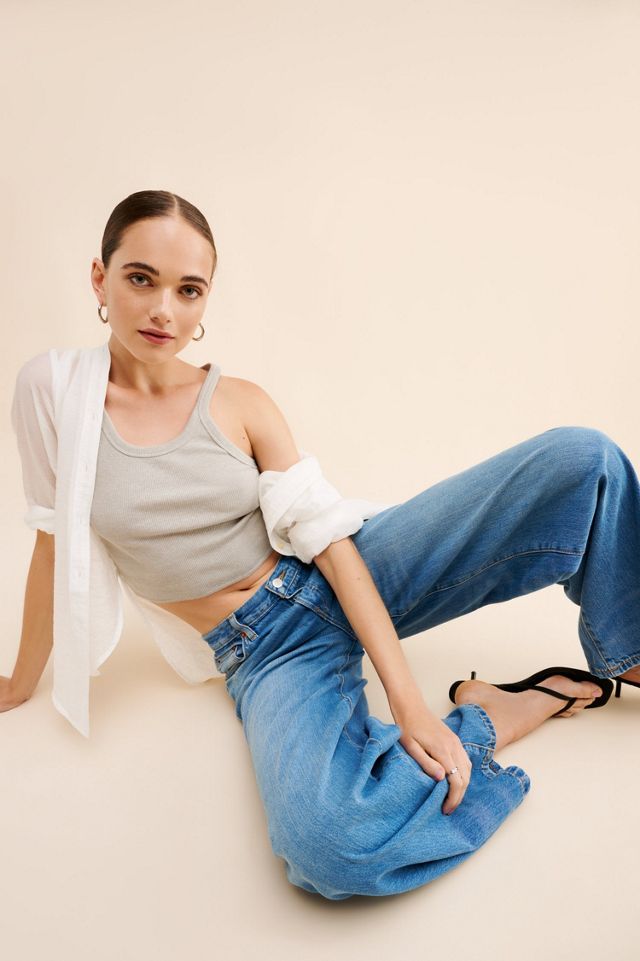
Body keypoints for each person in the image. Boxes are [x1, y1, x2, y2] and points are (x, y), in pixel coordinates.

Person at [3, 189, 640, 901]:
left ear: (206, 299)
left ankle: (629, 652)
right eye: (140, 279)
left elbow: (330, 544)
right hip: (265, 651)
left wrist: (409, 703)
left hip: (348, 569)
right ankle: (499, 713)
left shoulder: (239, 401)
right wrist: (22, 682)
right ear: (100, 279)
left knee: (582, 459)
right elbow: (54, 540)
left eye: (188, 290)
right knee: (328, 847)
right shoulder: (54, 395)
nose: (163, 311)